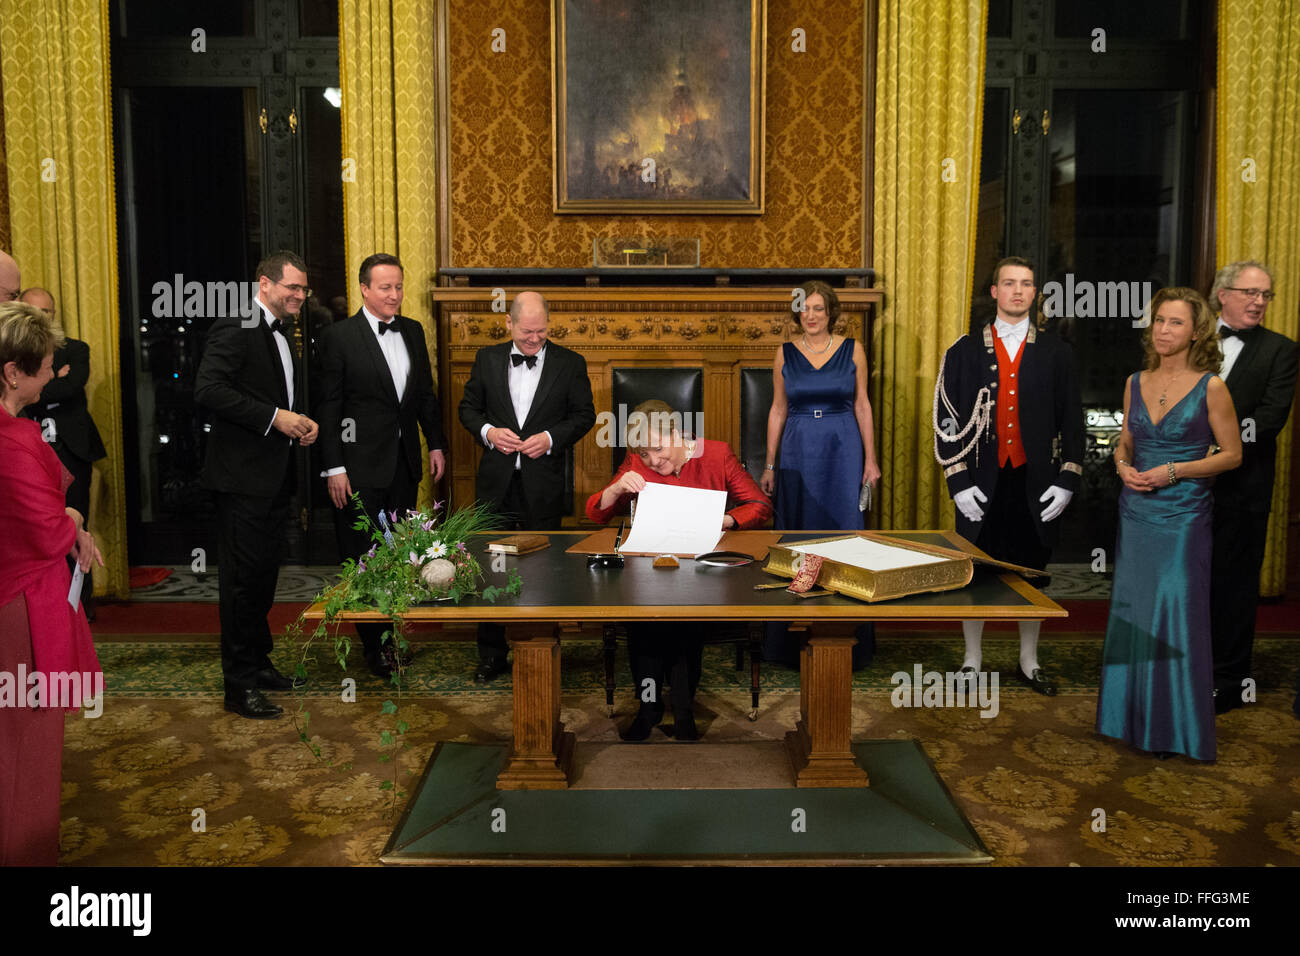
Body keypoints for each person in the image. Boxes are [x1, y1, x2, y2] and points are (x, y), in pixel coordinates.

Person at [1096, 288, 1242, 760]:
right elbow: (1126, 442)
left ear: (1196, 332)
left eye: (1175, 322)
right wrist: (1121, 466)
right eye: (1159, 320)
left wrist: (1175, 471)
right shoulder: (1135, 380)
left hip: (1183, 515)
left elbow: (1233, 454)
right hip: (1136, 510)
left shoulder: (1212, 386)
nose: (1163, 330)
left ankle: (1174, 728)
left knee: (1174, 611)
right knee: (1135, 612)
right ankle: (1128, 721)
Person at [933, 256, 1084, 695]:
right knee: (975, 570)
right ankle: (972, 660)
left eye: (1027, 284)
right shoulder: (962, 351)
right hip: (980, 481)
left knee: (1032, 572)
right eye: (1009, 283)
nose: (1018, 291)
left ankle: (1029, 661)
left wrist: (1067, 479)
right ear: (994, 291)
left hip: (1036, 481)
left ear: (1035, 294)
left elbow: (1073, 421)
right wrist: (957, 481)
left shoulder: (1058, 353)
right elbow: (947, 417)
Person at [587, 400, 773, 741]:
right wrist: (615, 488)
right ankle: (649, 709)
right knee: (644, 629)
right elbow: (598, 515)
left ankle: (684, 712)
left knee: (683, 627)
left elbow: (760, 506)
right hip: (648, 568)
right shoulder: (635, 463)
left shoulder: (716, 455)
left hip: (699, 569)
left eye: (658, 449)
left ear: (678, 434)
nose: (653, 461)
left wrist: (728, 520)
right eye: (643, 455)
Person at [0, 300, 103, 865]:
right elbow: (44, 529)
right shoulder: (12, 438)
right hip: (21, 611)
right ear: (13, 372)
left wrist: (67, 520)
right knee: (26, 746)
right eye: (42, 366)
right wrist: (73, 520)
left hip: (16, 599)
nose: (50, 374)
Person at [195, 250, 318, 719]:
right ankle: (238, 684)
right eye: (293, 287)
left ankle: (258, 662)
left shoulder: (283, 333)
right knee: (242, 584)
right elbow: (208, 389)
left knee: (264, 577)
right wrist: (275, 418)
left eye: (304, 289)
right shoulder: (237, 324)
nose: (300, 296)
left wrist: (299, 422)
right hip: (240, 481)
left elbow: (279, 398)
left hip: (272, 478)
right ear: (264, 283)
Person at [315, 253, 447, 678]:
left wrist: (435, 445)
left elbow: (424, 394)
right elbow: (329, 408)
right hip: (357, 469)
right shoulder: (339, 337)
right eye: (385, 287)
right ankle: (375, 648)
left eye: (399, 286)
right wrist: (334, 467)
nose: (395, 295)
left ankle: (392, 636)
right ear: (365, 289)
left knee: (397, 556)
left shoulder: (412, 329)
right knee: (363, 557)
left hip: (403, 465)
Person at [459, 291, 595, 682]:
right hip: (496, 484)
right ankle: (491, 655)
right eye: (526, 332)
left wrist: (551, 437)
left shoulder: (571, 364)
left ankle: (543, 649)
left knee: (544, 568)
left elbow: (583, 416)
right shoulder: (486, 359)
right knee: (490, 568)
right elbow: (468, 409)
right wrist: (488, 431)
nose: (534, 339)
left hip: (544, 485)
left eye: (541, 331)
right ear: (508, 323)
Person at [759, 280, 881, 667]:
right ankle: (789, 639)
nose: (810, 316)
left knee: (845, 531)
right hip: (797, 449)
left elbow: (862, 405)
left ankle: (847, 638)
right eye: (804, 309)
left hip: (843, 447)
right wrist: (769, 463)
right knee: (799, 534)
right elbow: (777, 409)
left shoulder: (852, 349)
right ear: (797, 314)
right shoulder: (783, 354)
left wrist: (871, 460)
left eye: (817, 309)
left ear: (831, 313)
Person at [1206, 261, 1299, 714]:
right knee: (1189, 582)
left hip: (1243, 490)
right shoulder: (1192, 340)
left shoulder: (1281, 351)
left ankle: (1229, 679)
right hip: (1183, 489)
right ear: (1222, 294)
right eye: (1249, 292)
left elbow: (1268, 421)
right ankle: (1181, 669)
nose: (1259, 301)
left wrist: (1212, 450)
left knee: (1234, 586)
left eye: (1266, 295)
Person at [19, 287, 107, 616]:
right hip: (33, 453)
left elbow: (72, 387)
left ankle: (81, 607)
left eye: (49, 313)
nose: (44, 319)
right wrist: (53, 379)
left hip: (72, 450)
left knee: (77, 526)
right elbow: (23, 393)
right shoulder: (13, 352)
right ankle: (47, 606)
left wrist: (45, 384)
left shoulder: (76, 349)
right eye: (36, 312)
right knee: (42, 530)